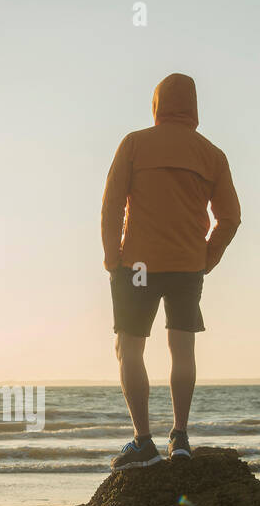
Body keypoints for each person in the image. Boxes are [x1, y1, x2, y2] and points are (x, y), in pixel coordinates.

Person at [101, 72, 241, 471]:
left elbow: (111, 204)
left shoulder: (135, 143)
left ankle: (143, 442)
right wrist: (206, 258)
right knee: (182, 350)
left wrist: (113, 257)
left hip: (138, 265)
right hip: (186, 266)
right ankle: (180, 437)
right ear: (194, 106)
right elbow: (230, 218)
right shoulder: (212, 154)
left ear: (157, 104)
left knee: (129, 348)